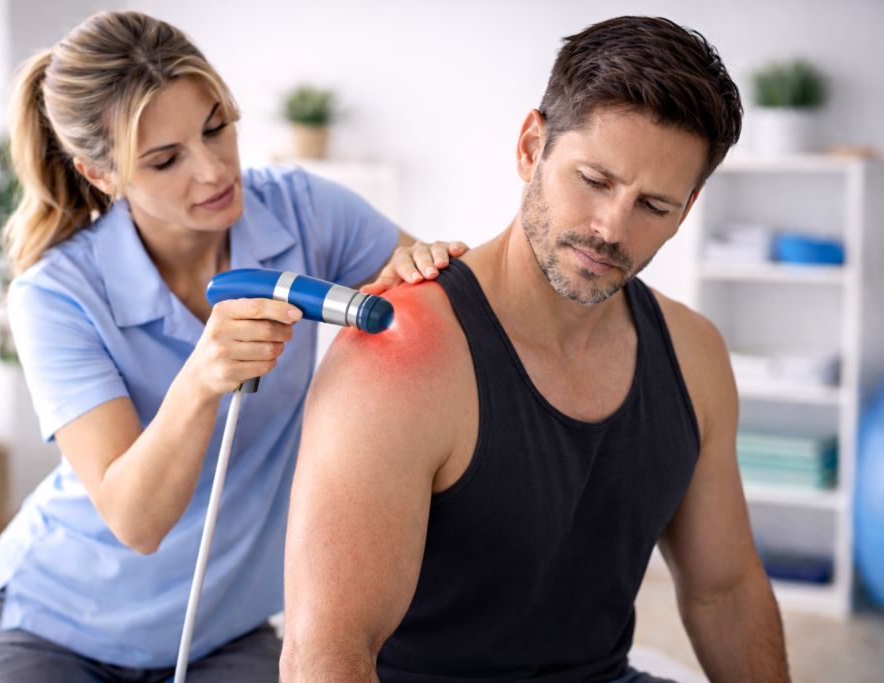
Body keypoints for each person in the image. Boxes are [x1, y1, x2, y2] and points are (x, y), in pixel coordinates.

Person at [0, 10, 467, 683]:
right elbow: (136, 521)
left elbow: (454, 320)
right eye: (166, 159)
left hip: (220, 630)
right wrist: (201, 378)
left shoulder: (306, 212)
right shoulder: (55, 294)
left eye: (216, 126)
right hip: (56, 623)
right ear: (100, 174)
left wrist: (425, 276)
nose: (213, 170)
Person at [282, 16, 790, 683]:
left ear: (687, 210)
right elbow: (326, 655)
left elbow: (723, 590)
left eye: (653, 205)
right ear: (531, 148)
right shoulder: (399, 358)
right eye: (596, 180)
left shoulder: (694, 353)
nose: (611, 228)